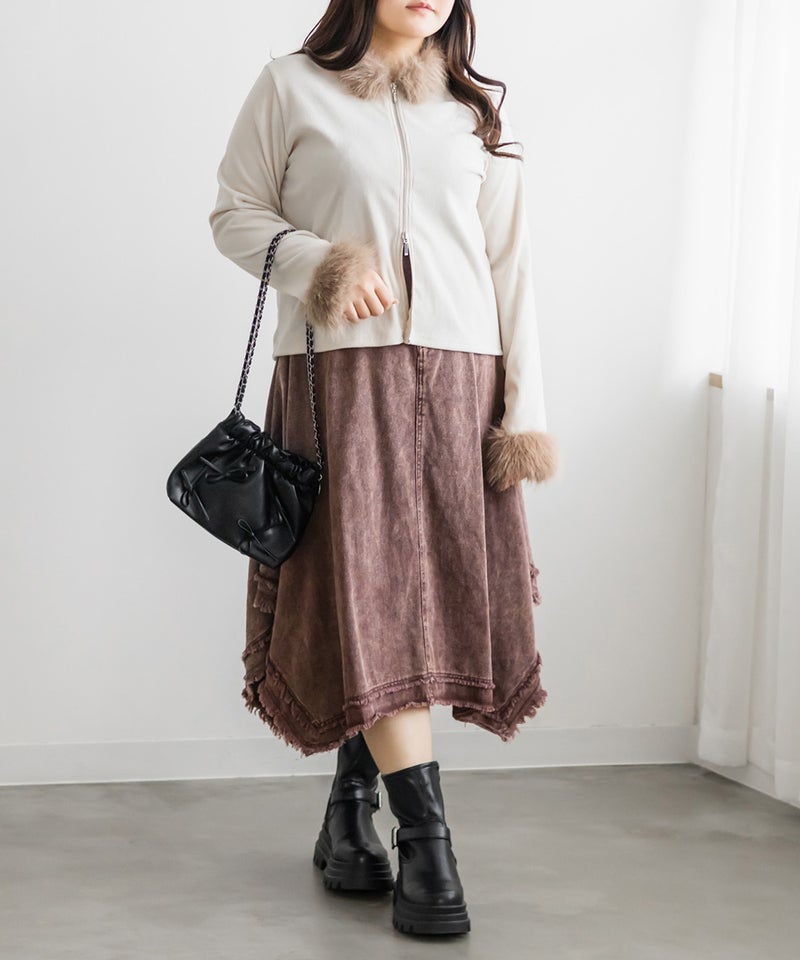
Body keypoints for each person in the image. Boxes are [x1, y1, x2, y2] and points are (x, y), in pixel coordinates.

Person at [208, 0, 559, 937]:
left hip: (462, 384)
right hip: (339, 379)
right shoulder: (291, 86)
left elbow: (511, 266)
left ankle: (348, 813)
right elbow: (234, 215)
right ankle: (428, 845)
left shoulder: (474, 108)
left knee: (419, 598)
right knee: (368, 593)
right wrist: (319, 263)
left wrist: (523, 414)